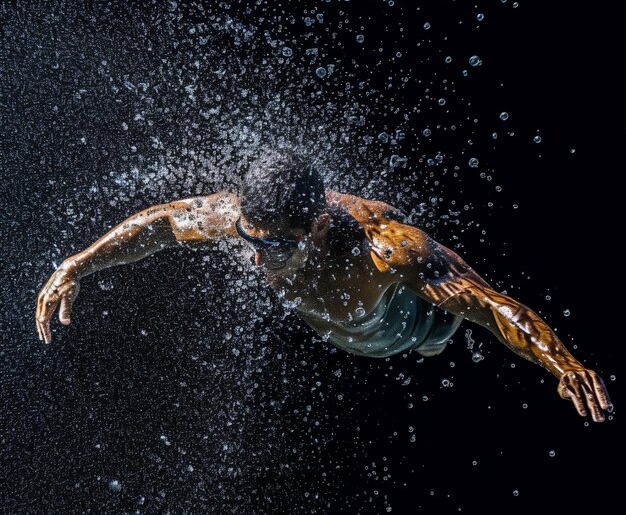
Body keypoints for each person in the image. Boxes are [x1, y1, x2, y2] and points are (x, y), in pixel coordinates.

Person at [35, 152, 611, 422]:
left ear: (314, 225)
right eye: (249, 241)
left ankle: (436, 345)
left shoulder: (385, 249)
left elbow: (492, 305)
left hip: (405, 326)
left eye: (275, 248)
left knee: (444, 331)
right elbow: (161, 222)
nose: (259, 260)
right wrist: (77, 264)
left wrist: (563, 365)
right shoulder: (239, 218)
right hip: (343, 325)